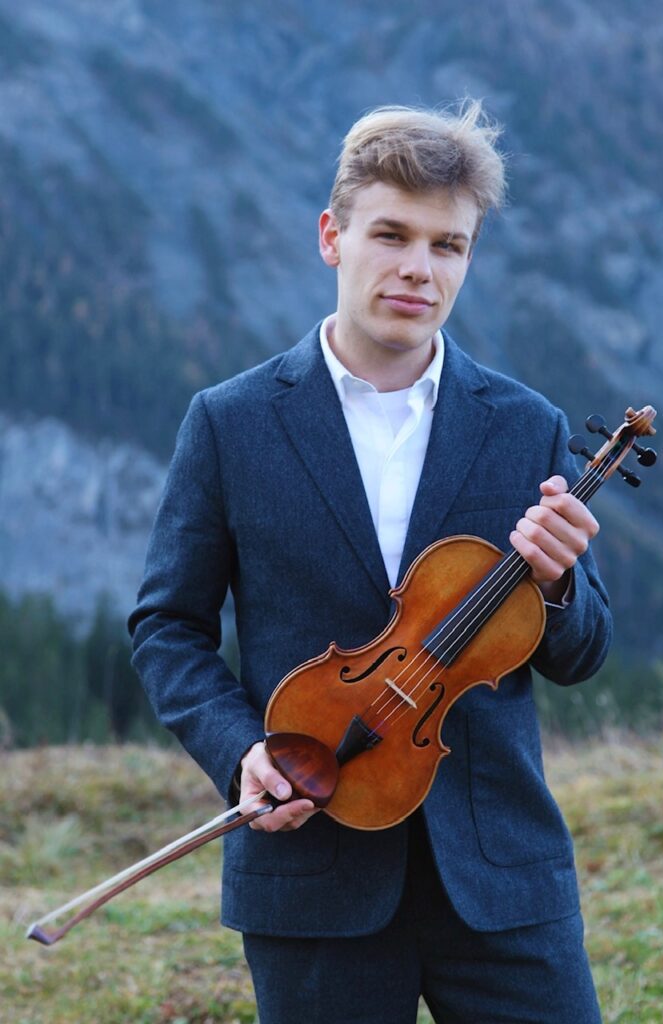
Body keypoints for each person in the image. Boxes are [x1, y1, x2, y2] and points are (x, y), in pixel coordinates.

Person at [129, 100, 611, 1024]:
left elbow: (580, 653)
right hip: (313, 873)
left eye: (448, 245)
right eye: (391, 235)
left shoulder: (527, 426)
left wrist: (558, 586)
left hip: (502, 876)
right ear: (332, 237)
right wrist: (244, 752)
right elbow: (167, 628)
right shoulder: (231, 423)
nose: (418, 268)